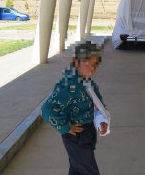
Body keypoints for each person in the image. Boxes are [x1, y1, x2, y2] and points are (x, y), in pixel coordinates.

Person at [41, 41, 110, 175]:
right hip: (77, 134)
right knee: (88, 170)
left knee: (78, 168)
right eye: (87, 63)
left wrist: (102, 120)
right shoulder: (69, 86)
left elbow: (98, 104)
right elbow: (47, 109)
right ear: (75, 61)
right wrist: (65, 127)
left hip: (87, 130)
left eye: (95, 64)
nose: (92, 68)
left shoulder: (87, 82)